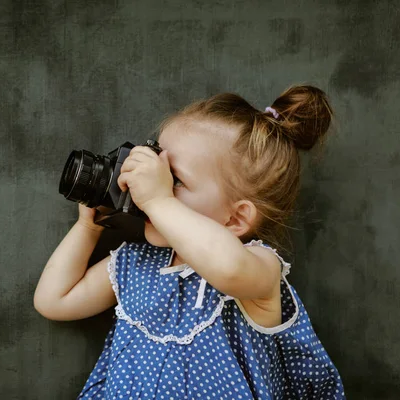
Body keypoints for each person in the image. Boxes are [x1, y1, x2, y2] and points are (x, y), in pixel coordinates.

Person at [34, 85, 346, 399]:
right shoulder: (135, 264)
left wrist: (157, 199)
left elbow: (229, 268)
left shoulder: (259, 268)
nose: (152, 184)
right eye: (157, 167)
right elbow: (54, 300)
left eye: (175, 179)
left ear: (235, 219)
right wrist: (87, 228)